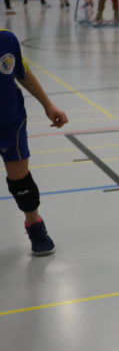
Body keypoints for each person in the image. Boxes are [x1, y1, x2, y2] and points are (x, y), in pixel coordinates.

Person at [1, 29, 69, 255]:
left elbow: (22, 71)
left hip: (11, 122)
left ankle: (34, 225)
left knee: (21, 182)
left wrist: (48, 105)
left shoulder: (7, 39)